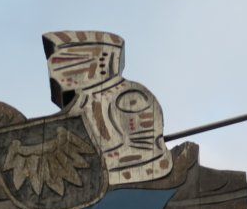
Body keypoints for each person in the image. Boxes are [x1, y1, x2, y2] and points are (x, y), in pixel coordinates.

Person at [42, 30, 172, 187]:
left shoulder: (128, 96)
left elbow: (144, 150)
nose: (53, 71)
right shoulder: (84, 102)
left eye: (61, 61)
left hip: (135, 170)